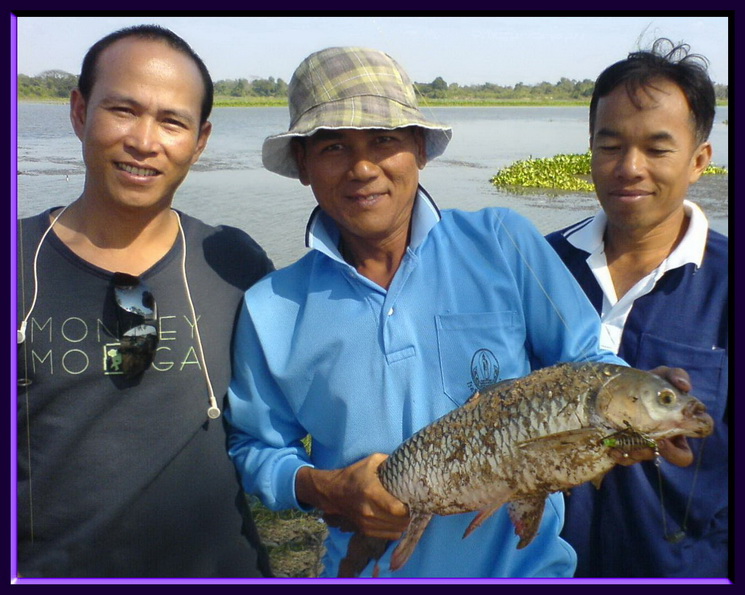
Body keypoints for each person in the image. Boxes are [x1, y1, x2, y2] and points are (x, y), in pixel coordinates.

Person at [224, 46, 693, 579]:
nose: (362, 167)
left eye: (385, 140)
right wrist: (319, 487)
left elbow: (585, 357)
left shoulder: (501, 242)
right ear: (303, 165)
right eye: (333, 146)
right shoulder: (271, 308)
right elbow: (254, 447)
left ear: (419, 148)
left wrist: (635, 407)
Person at [16, 25, 274, 578]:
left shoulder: (233, 262)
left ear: (200, 141)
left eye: (172, 121)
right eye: (124, 111)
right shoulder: (19, 263)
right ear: (80, 111)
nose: (145, 141)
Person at [545, 39, 728, 577]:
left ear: (698, 161)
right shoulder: (539, 269)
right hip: (543, 565)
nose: (629, 167)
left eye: (657, 148)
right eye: (610, 146)